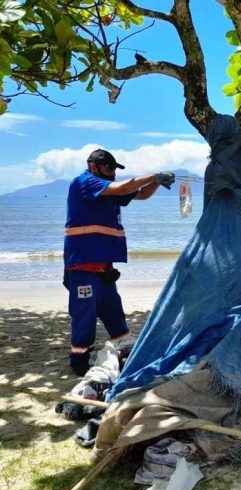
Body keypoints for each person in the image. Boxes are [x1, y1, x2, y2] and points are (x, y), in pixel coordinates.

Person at [63, 148, 175, 376]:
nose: (113, 172)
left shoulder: (107, 190)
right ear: (94, 166)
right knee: (84, 318)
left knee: (116, 318)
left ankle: (123, 353)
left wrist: (156, 184)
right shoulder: (86, 182)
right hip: (83, 268)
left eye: (115, 168)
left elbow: (139, 194)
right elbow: (124, 187)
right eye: (109, 167)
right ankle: (79, 361)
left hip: (104, 271)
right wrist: (154, 175)